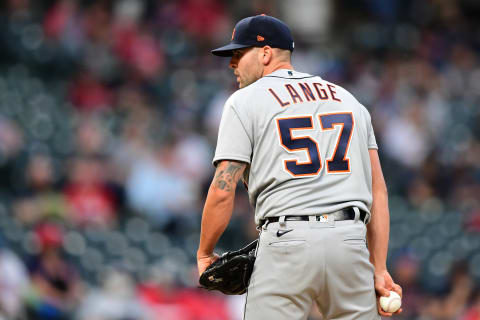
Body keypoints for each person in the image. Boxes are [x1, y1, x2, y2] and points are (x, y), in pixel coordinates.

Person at [197, 14, 403, 319]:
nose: (232, 64)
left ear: (265, 53)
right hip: (350, 244)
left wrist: (204, 252)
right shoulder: (349, 100)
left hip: (287, 242)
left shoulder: (244, 101)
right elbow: (378, 192)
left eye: (238, 54)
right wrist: (380, 266)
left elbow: (223, 189)